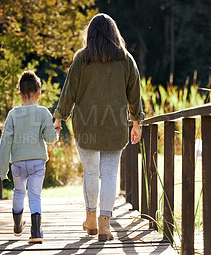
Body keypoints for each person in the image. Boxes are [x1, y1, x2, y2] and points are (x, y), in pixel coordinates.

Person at [53, 13, 144, 241]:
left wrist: (59, 117)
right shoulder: (126, 59)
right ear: (115, 33)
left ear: (90, 34)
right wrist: (136, 122)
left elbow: (69, 91)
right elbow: (135, 94)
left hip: (87, 125)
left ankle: (91, 218)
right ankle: (105, 223)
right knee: (111, 174)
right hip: (115, 125)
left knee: (91, 173)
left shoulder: (82, 59)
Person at [0, 70, 59, 244]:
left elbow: (5, 143)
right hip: (37, 162)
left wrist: (3, 169)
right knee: (35, 195)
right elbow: (50, 138)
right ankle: (36, 232)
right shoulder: (44, 113)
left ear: (19, 95)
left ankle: (17, 227)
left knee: (18, 192)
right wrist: (56, 132)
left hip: (17, 163)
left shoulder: (13, 114)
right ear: (39, 94)